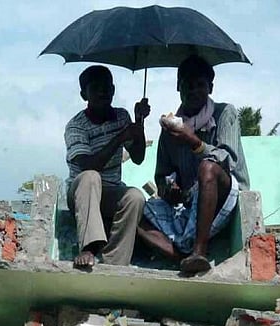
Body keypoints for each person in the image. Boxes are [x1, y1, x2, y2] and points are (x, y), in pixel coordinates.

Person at [138, 55, 249, 275]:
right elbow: (162, 175)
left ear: (210, 87)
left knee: (207, 167)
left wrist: (193, 141)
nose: (194, 91)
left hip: (224, 194)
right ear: (179, 88)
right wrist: (168, 189)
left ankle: (199, 251)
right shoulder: (170, 127)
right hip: (189, 204)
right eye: (188, 85)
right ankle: (181, 258)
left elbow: (228, 161)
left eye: (200, 85)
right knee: (135, 208)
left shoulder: (225, 112)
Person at [64, 65, 150, 269]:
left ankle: (116, 261)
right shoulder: (76, 125)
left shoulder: (122, 117)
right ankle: (88, 247)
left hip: (111, 190)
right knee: (91, 177)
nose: (102, 92)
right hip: (82, 193)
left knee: (135, 196)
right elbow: (90, 165)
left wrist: (139, 123)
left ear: (113, 90)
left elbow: (138, 157)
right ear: (84, 94)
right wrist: (120, 137)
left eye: (106, 88)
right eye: (95, 88)